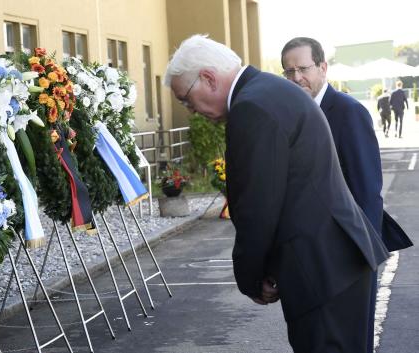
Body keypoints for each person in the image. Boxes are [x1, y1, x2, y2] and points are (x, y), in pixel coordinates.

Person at [165, 34, 389, 353]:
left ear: (209, 78)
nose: (191, 110)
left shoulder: (251, 107)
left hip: (322, 270)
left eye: (186, 99)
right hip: (335, 263)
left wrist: (252, 276)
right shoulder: (269, 89)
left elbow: (258, 205)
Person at [280, 36, 412, 353]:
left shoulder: (347, 111)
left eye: (303, 68)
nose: (297, 77)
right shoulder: (292, 113)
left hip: (349, 258)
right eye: (288, 71)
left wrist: (360, 256)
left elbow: (367, 190)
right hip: (313, 259)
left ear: (323, 67)